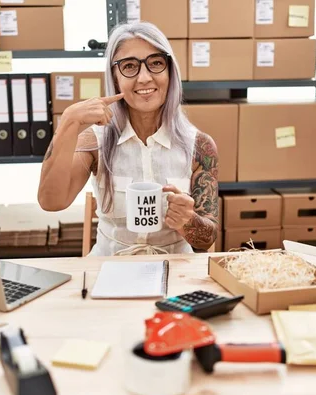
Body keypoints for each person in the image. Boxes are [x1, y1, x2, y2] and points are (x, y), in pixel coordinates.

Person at [38, 21, 219, 256]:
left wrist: (188, 220)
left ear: (170, 72)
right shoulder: (94, 141)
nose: (144, 78)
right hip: (109, 267)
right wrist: (68, 123)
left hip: (176, 271)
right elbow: (52, 202)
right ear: (114, 77)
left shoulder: (200, 146)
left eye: (155, 63)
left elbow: (206, 241)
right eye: (130, 66)